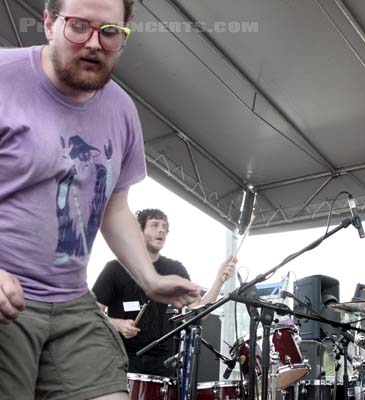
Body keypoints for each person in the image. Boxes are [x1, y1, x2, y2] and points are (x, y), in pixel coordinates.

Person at [0, 1, 201, 399]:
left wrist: (151, 278)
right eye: (78, 27)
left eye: (109, 32)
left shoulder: (122, 110)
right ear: (48, 22)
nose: (93, 43)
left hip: (74, 304)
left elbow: (114, 207)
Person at [92, 208, 237, 377]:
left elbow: (199, 311)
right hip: (120, 356)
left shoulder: (173, 268)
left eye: (164, 227)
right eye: (154, 225)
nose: (161, 230)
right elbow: (92, 312)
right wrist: (118, 324)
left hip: (160, 359)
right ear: (139, 231)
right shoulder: (115, 268)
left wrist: (219, 280)